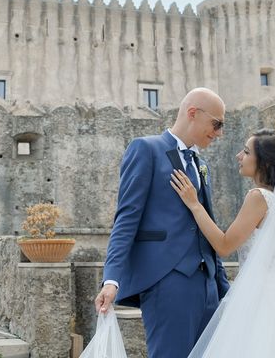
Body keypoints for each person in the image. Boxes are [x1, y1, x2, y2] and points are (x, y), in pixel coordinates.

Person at [170, 130, 275, 357]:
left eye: (247, 152)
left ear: (265, 163)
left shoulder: (258, 197)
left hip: (260, 296)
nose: (239, 156)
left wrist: (194, 204)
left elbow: (224, 245)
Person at [95, 88, 231, 358]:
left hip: (209, 285)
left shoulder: (201, 164)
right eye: (217, 124)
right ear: (193, 113)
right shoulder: (146, 149)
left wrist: (222, 284)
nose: (219, 133)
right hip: (167, 281)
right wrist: (111, 279)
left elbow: (207, 225)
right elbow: (126, 218)